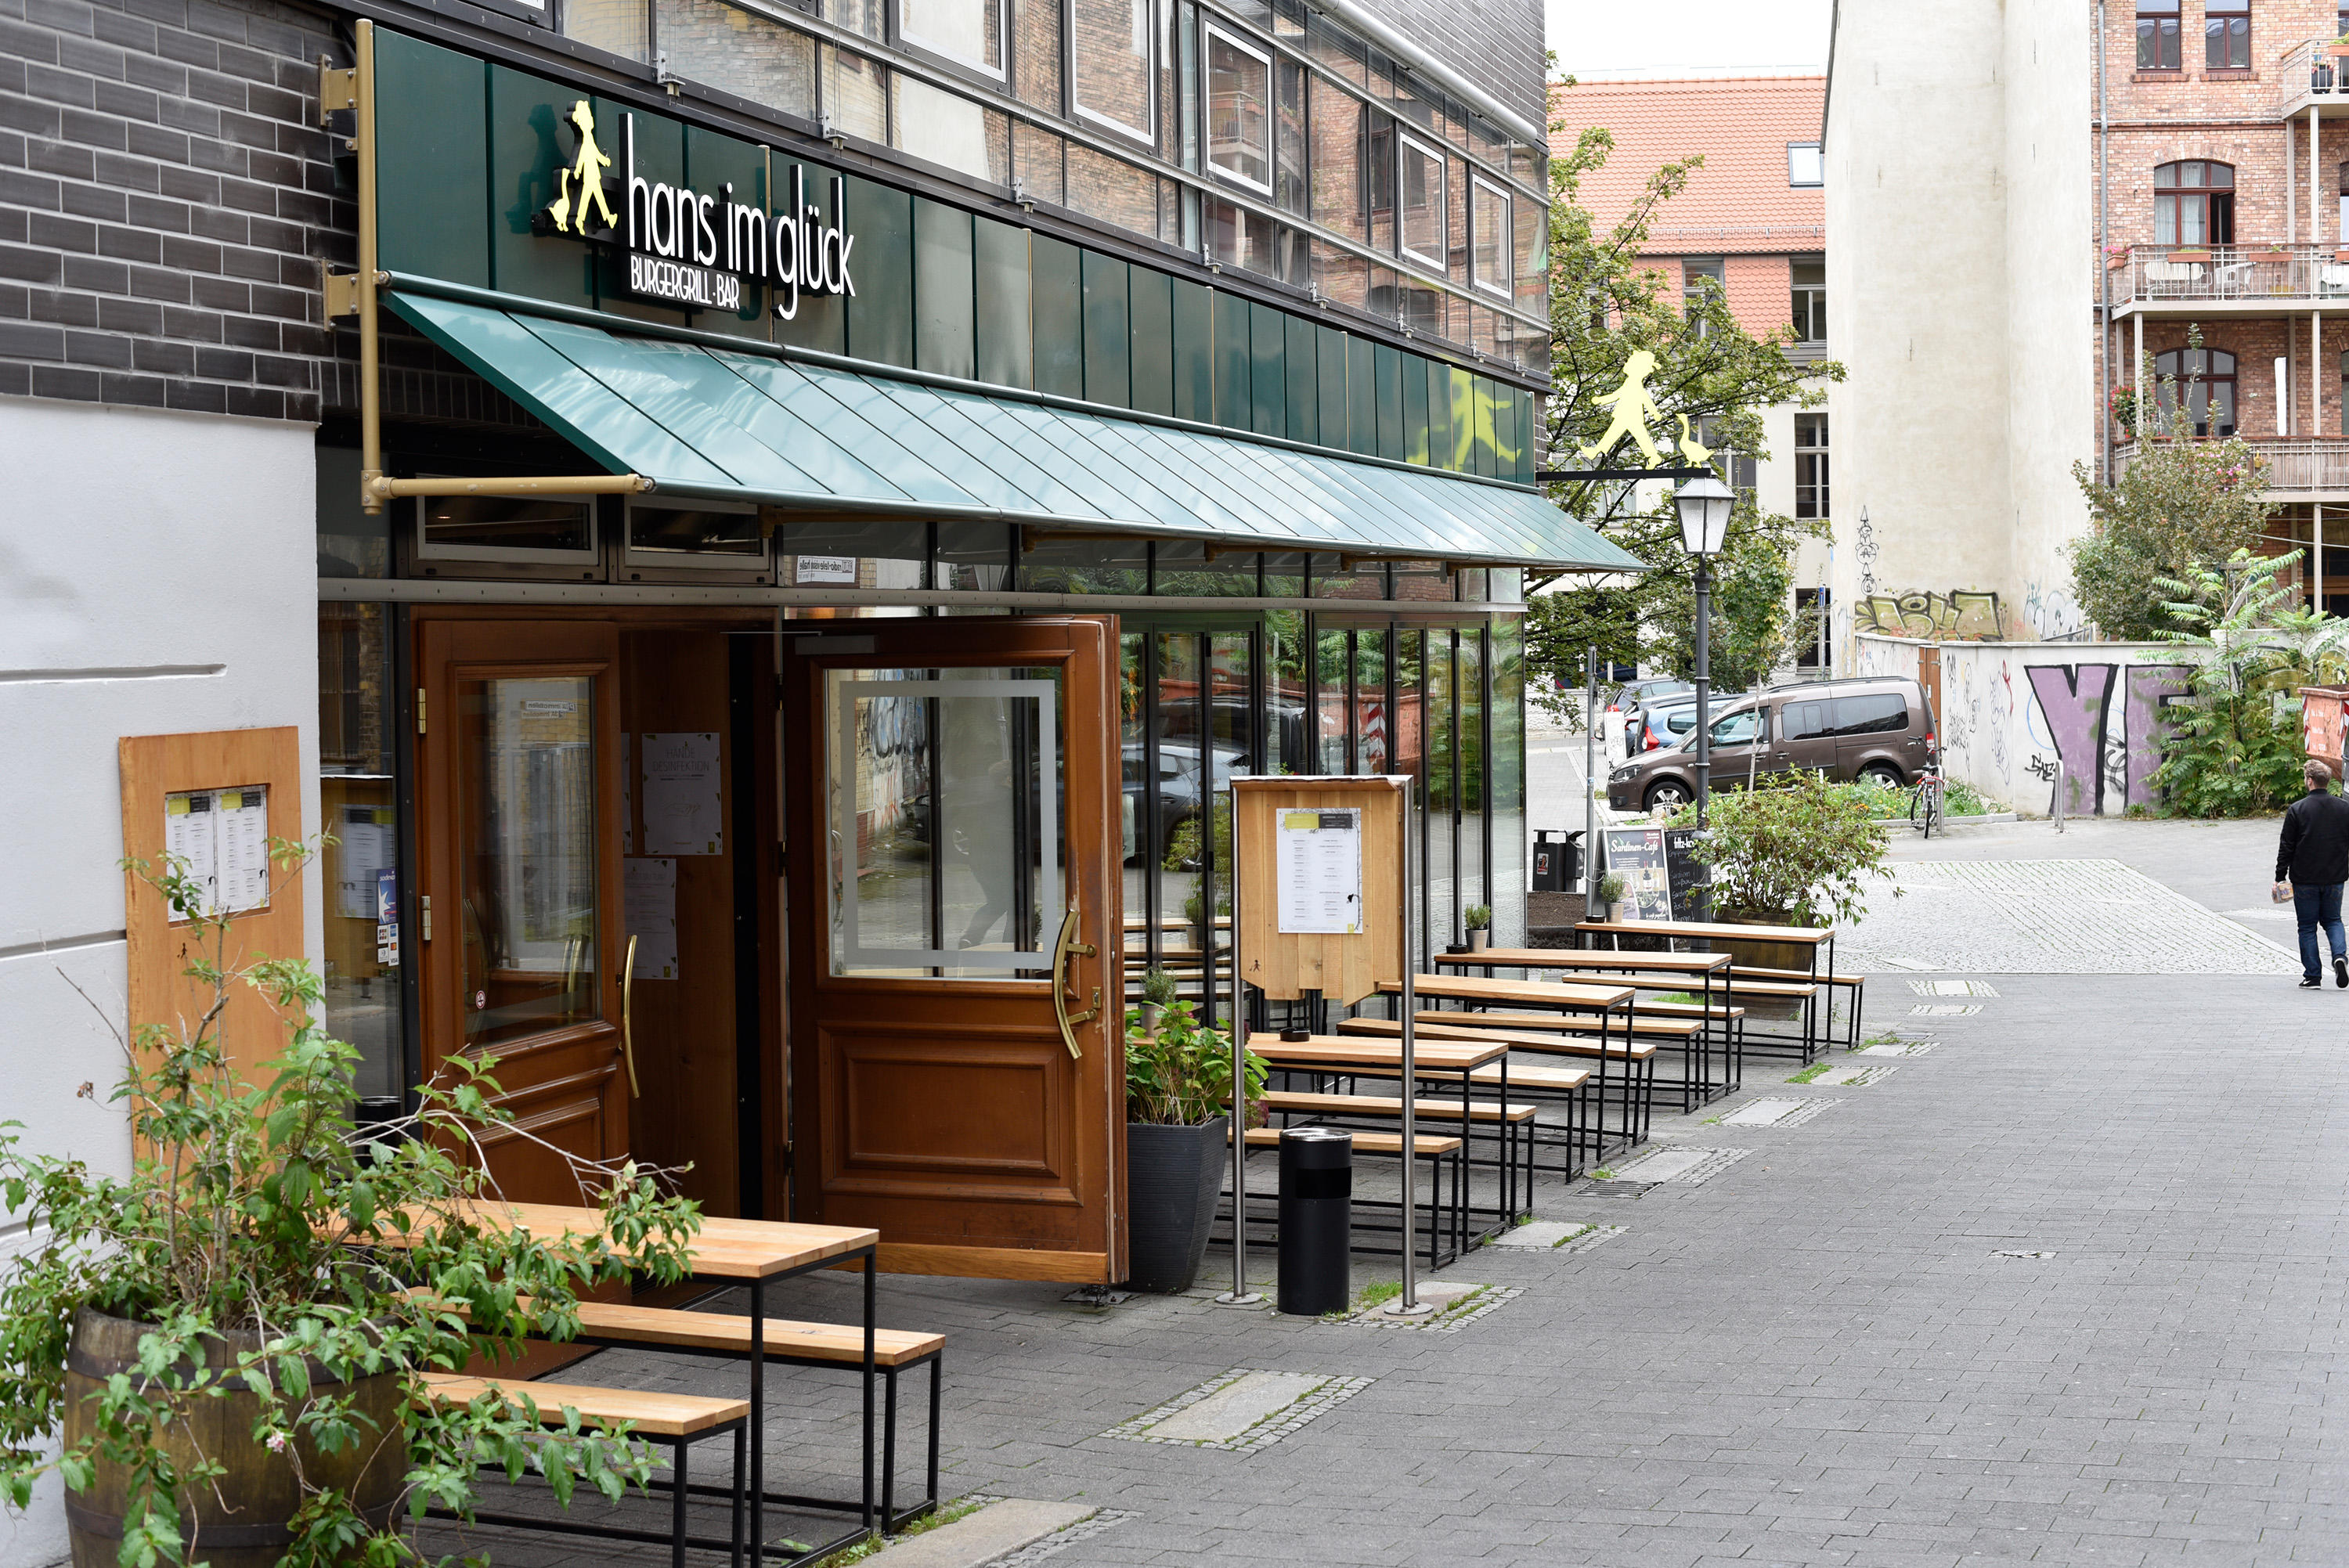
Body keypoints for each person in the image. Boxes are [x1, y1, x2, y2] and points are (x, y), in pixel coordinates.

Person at [2275, 759, 2349, 989]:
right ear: (2327, 782)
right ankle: (2340, 957)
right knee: (2334, 920)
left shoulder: (2297, 809)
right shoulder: (2344, 808)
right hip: (2335, 877)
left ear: (2309, 781)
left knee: (2307, 927)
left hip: (2305, 878)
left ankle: (2313, 976)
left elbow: (2286, 845)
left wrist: (2280, 877)